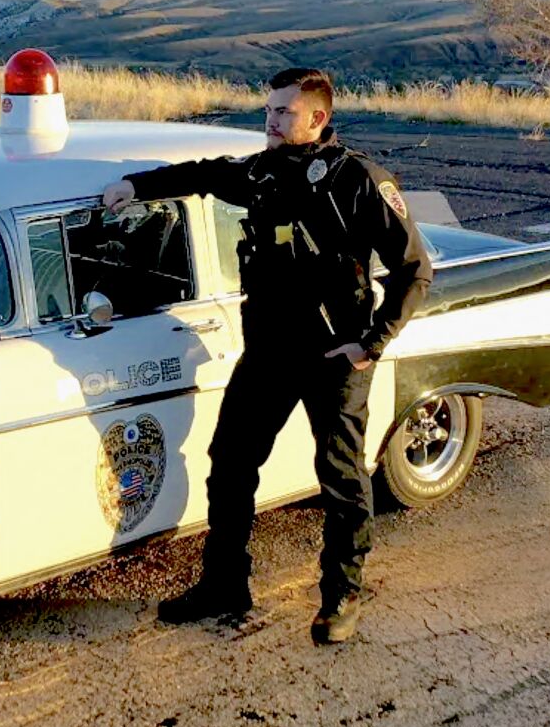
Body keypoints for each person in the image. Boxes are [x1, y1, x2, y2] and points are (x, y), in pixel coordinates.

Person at [100, 67, 433, 644]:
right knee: (229, 464)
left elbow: (413, 270)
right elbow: (203, 176)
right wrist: (135, 186)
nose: (270, 121)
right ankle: (224, 585)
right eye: (268, 111)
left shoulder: (359, 181)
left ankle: (341, 595)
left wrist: (373, 342)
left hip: (336, 354)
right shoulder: (261, 173)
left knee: (341, 477)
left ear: (317, 118)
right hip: (268, 352)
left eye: (282, 113)